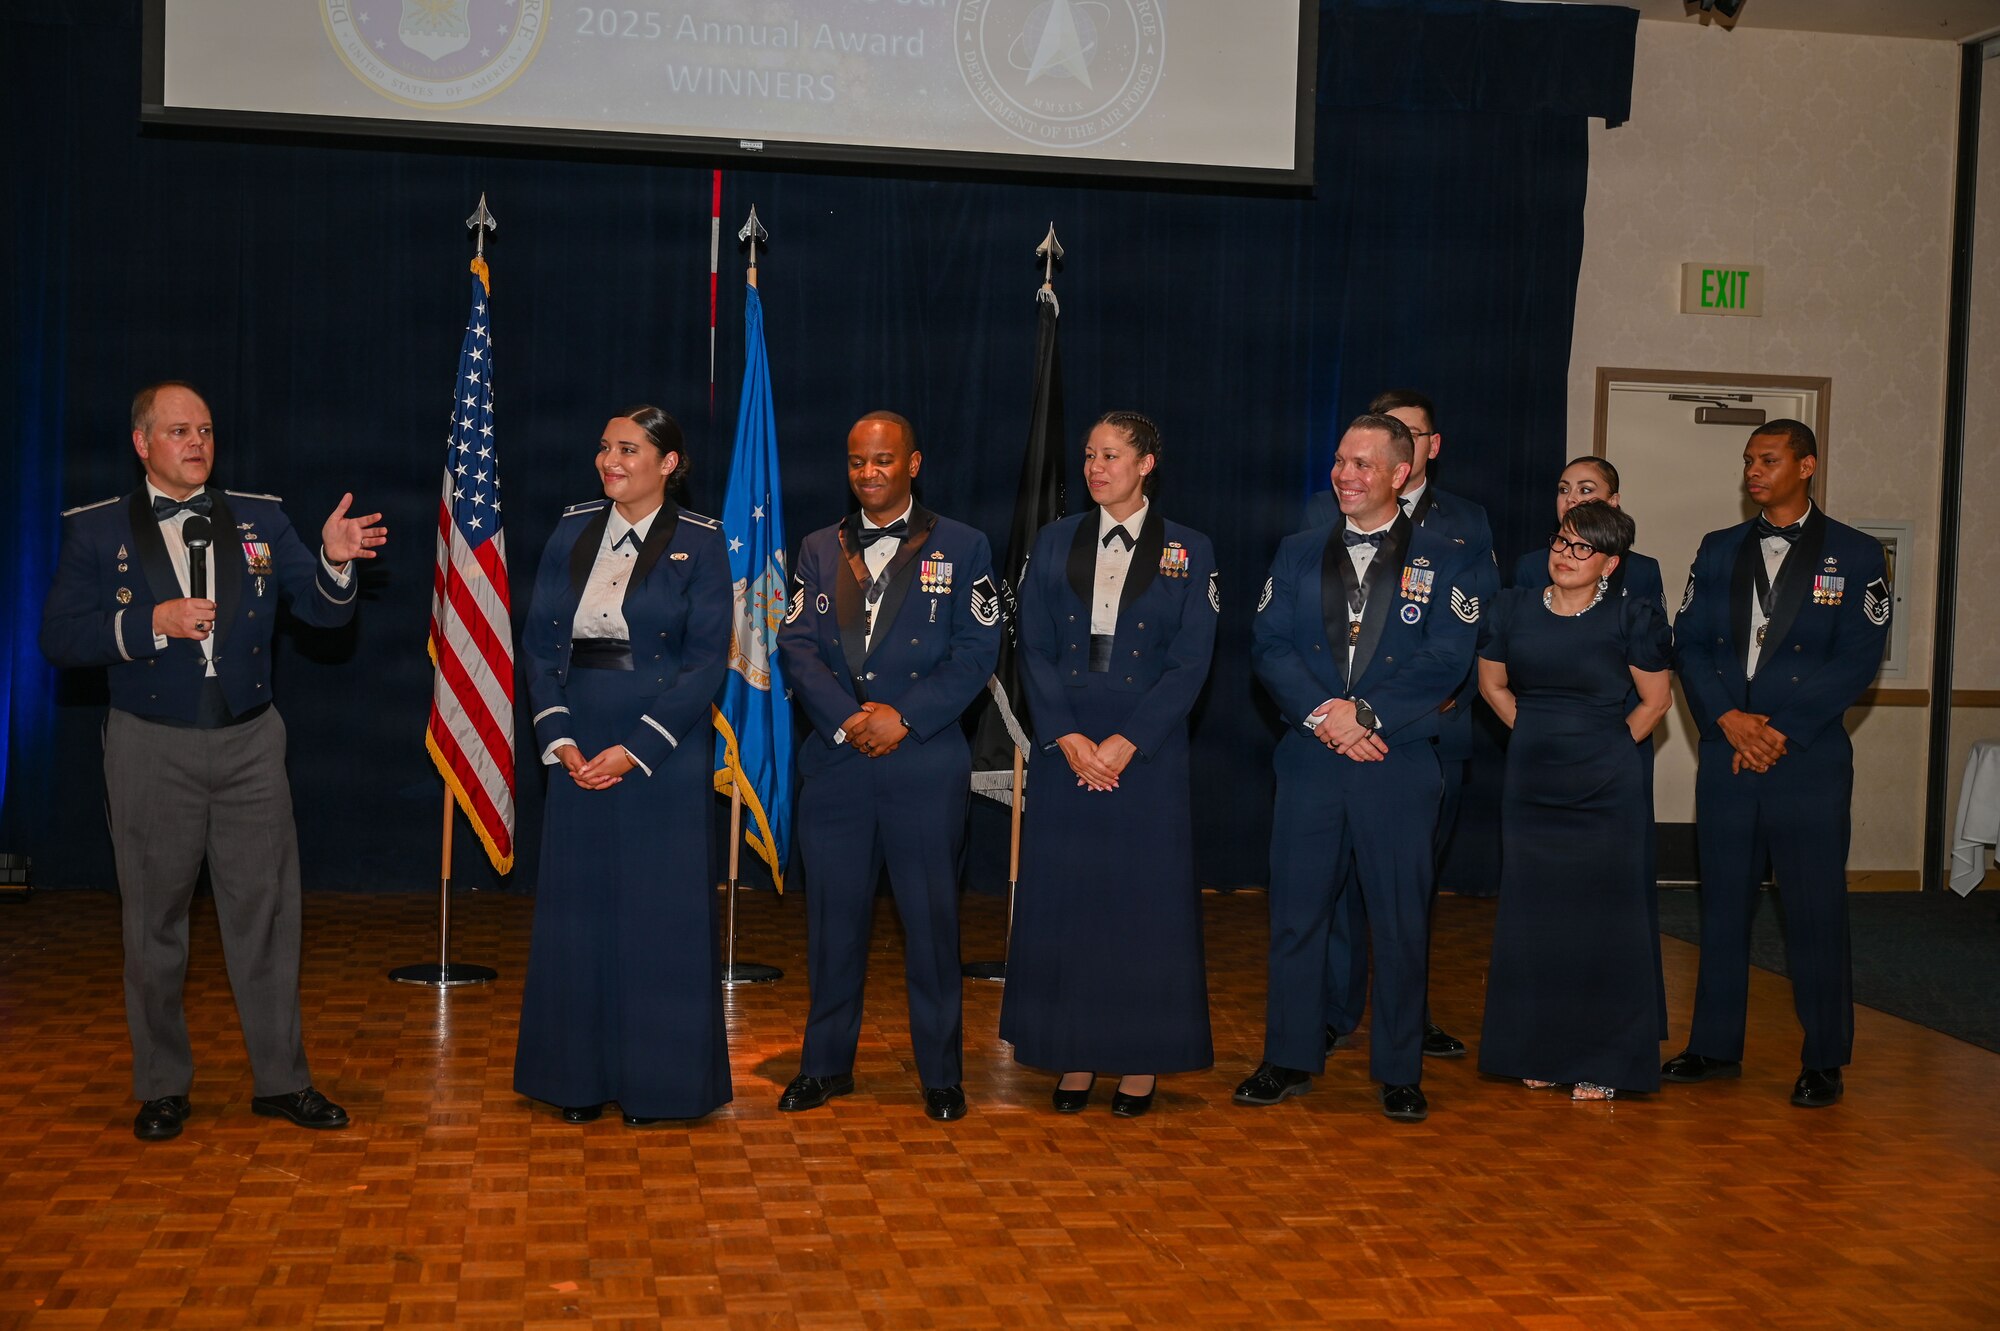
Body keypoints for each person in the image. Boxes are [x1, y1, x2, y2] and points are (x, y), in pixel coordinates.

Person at [40, 380, 386, 1141]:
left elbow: (324, 614)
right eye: (177, 431)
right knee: (154, 923)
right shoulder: (97, 531)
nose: (196, 443)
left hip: (251, 740)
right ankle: (163, 1085)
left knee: (265, 916)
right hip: (149, 743)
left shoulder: (259, 516)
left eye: (204, 430)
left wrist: (333, 561)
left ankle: (282, 1079)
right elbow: (60, 638)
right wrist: (148, 622)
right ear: (142, 444)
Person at [1240, 413, 1482, 1122]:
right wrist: (1325, 716)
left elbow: (1448, 657)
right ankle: (1286, 1057)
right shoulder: (1297, 549)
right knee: (1296, 916)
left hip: (1397, 763)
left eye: (1364, 464)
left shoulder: (1450, 557)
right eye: (1341, 461)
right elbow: (1269, 645)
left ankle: (1401, 1069)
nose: (1347, 474)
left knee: (1401, 920)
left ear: (1400, 474)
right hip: (1312, 760)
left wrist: (1366, 713)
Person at [776, 411, 1002, 1122]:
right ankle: (824, 1065)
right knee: (832, 923)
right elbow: (798, 645)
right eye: (855, 462)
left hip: (923, 761)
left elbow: (977, 650)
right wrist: (848, 718)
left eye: (882, 460)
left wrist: (901, 716)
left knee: (931, 924)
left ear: (913, 463)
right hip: (838, 764)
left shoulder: (965, 545)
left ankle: (941, 1073)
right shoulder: (818, 546)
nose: (868, 474)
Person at [514, 406, 733, 1126]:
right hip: (578, 739)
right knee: (580, 918)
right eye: (605, 446)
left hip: (659, 748)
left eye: (629, 449)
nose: (610, 460)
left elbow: (706, 662)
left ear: (668, 463)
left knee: (657, 919)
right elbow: (540, 642)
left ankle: (660, 1086)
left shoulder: (700, 542)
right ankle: (575, 1079)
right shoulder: (572, 525)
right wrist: (561, 736)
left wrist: (636, 747)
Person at [1664, 420, 1890, 1108]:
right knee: (1723, 904)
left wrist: (1779, 731)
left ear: (1807, 464)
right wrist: (1728, 720)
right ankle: (1712, 1044)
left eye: (1767, 459)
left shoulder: (1856, 553)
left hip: (1807, 760)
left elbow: (1858, 657)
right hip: (1728, 754)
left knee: (1814, 911)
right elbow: (1691, 644)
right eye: (1748, 461)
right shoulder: (1718, 547)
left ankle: (1824, 1056)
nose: (1752, 471)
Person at [999, 412, 1219, 1118]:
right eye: (1090, 454)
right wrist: (1063, 736)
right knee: (1070, 905)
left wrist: (1128, 741)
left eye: (1113, 455)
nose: (1097, 467)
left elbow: (1191, 661)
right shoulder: (1055, 538)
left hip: (1144, 756)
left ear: (1147, 462)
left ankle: (1139, 1060)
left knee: (1140, 911)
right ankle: (1072, 1052)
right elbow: (1031, 646)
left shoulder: (1190, 548)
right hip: (1069, 752)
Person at [1308, 390, 1496, 1060]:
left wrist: (1419, 702)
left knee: (1406, 892)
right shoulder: (1324, 517)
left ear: (1424, 449)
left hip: (1427, 735)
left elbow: (1476, 627)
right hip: (1333, 736)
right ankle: (1334, 1009)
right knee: (1331, 891)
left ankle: (1407, 1024)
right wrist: (1342, 715)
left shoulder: (1465, 525)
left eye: (1411, 435)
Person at [1476, 500, 1673, 1100]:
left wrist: (1609, 750)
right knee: (1536, 920)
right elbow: (1492, 683)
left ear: (1609, 563)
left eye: (1583, 548)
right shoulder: (1511, 606)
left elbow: (1656, 702)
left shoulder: (1633, 616)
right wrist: (1533, 732)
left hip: (1607, 792)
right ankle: (1539, 1050)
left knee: (1602, 924)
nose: (1566, 554)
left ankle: (1604, 1061)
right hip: (1531, 786)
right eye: (1562, 541)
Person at [1510, 455, 1671, 1042]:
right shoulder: (1530, 567)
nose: (1572, 499)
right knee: (1542, 904)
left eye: (1587, 489)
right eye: (1563, 490)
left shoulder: (1642, 574)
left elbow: (1650, 684)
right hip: (1541, 758)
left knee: (1612, 902)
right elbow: (1508, 666)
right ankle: (1542, 1030)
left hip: (1613, 752)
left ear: (1614, 502)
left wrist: (1605, 748)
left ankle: (1619, 1030)